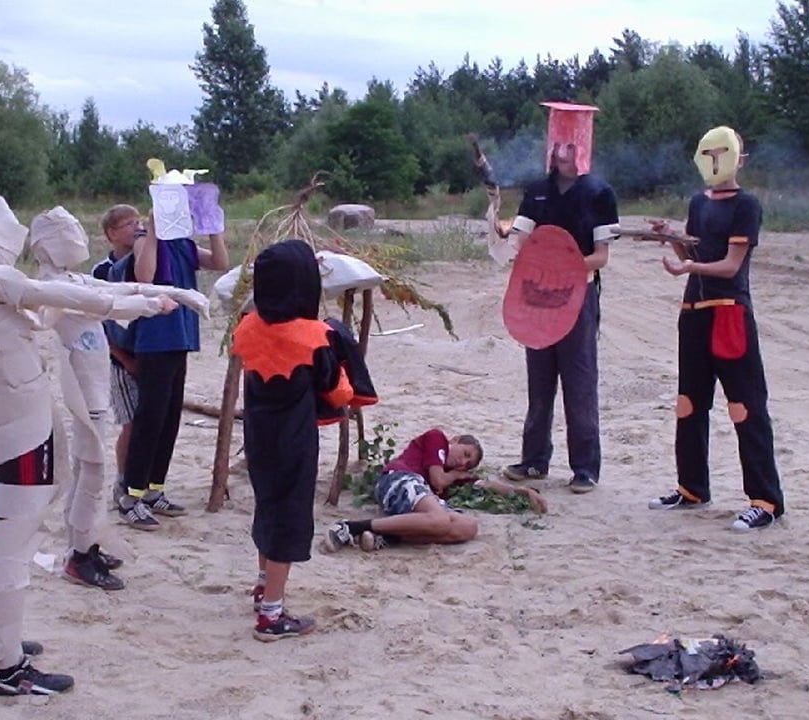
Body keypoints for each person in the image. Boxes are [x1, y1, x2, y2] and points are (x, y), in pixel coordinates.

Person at [0, 194, 178, 695]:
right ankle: (4, 663)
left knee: (4, 528)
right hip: (18, 418)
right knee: (14, 535)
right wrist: (145, 304)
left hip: (11, 408)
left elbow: (64, 292)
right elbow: (55, 293)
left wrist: (145, 297)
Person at [29, 206, 210, 589]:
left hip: (93, 389)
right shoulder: (52, 286)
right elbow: (107, 304)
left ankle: (84, 544)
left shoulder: (72, 278)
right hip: (85, 394)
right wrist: (154, 305)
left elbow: (122, 288)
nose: (78, 238)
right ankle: (79, 555)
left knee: (90, 471)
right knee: (90, 470)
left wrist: (178, 293)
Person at [231, 239, 371, 642]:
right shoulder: (314, 337)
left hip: (258, 436)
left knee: (268, 509)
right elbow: (337, 392)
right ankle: (271, 615)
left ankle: (263, 587)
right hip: (293, 441)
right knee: (289, 520)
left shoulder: (248, 326)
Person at [645, 125, 785, 530]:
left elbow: (729, 266)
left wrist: (689, 266)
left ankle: (766, 500)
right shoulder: (698, 201)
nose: (715, 162)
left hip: (729, 313)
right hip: (694, 312)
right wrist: (671, 238)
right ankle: (692, 487)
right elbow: (694, 249)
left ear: (740, 160)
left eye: (722, 154)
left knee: (745, 406)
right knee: (689, 403)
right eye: (708, 155)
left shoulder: (746, 205)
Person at [499, 102, 620, 494]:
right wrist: (510, 239)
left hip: (578, 295)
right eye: (557, 144)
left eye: (569, 145)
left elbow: (600, 256)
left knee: (579, 380)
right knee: (539, 381)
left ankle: (585, 467)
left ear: (581, 146)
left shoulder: (599, 194)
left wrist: (564, 267)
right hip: (536, 295)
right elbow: (522, 240)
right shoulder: (537, 191)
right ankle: (534, 460)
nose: (561, 153)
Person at [109, 203, 229, 529]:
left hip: (181, 339)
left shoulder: (183, 245)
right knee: (150, 418)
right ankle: (130, 495)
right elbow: (145, 276)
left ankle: (153, 489)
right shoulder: (144, 240)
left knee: (170, 419)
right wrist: (153, 228)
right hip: (154, 341)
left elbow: (220, 263)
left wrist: (213, 226)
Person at [324, 428, 548, 551]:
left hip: (421, 500)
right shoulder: (436, 439)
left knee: (468, 527)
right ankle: (351, 527)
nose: (463, 463)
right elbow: (438, 480)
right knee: (440, 519)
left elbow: (486, 485)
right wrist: (454, 476)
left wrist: (524, 492)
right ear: (455, 439)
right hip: (399, 479)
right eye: (465, 454)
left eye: (468, 464)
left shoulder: (455, 475)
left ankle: (386, 536)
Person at [93, 205, 140, 507]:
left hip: (148, 352)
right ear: (111, 233)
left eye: (138, 222)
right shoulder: (102, 271)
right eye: (129, 224)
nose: (137, 228)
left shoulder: (144, 261)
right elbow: (98, 323)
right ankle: (122, 480)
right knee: (130, 422)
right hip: (120, 358)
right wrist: (123, 358)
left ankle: (144, 481)